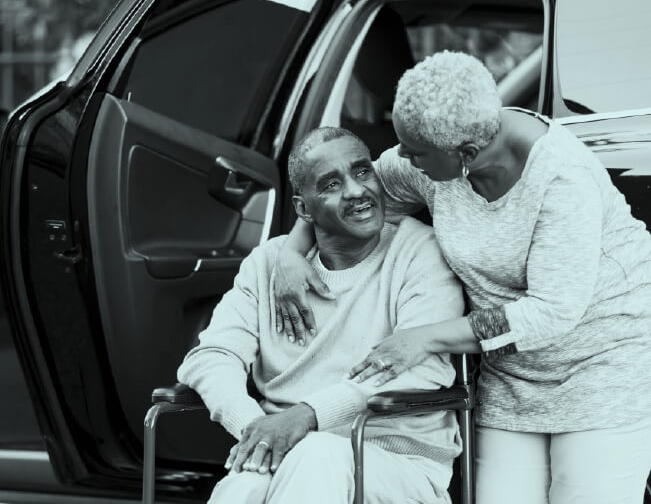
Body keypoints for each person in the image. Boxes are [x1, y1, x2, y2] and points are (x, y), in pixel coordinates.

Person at [273, 51, 651, 504]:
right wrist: (293, 253)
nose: (401, 158)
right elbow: (352, 194)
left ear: (466, 154)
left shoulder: (561, 180)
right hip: (511, 379)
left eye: (414, 151)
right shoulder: (434, 160)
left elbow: (551, 314)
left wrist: (424, 338)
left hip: (599, 369)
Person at [177, 127, 465, 504]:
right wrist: (256, 429)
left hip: (398, 463)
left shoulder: (419, 252)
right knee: (244, 485)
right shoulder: (268, 265)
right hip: (291, 454)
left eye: (363, 173)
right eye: (331, 184)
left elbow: (420, 368)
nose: (356, 191)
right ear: (302, 208)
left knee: (318, 455)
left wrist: (306, 416)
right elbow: (212, 357)